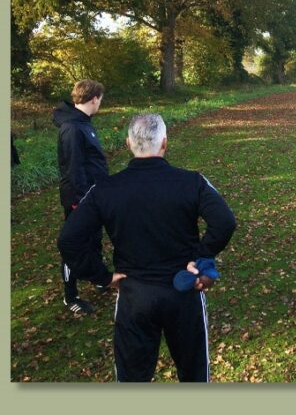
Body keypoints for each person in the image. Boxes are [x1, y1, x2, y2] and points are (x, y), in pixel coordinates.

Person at [58, 113, 237, 381]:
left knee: (132, 379)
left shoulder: (104, 189)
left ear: (129, 143)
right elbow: (225, 222)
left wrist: (102, 276)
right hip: (182, 293)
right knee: (194, 375)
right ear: (164, 143)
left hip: (136, 296)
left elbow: (68, 239)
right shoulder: (192, 182)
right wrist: (200, 257)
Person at [54, 79, 109, 316]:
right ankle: (71, 295)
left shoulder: (85, 123)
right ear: (94, 98)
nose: (100, 103)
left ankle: (98, 277)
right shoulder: (72, 128)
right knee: (74, 244)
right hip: (80, 198)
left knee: (94, 239)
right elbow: (73, 168)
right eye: (100, 100)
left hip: (93, 195)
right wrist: (79, 200)